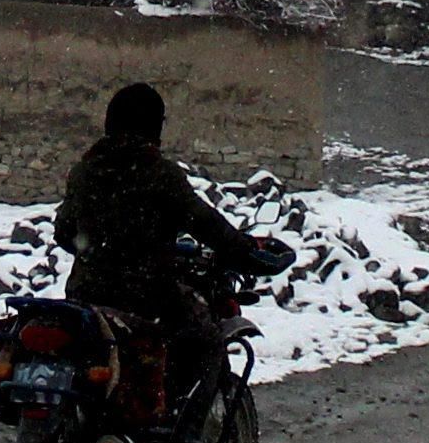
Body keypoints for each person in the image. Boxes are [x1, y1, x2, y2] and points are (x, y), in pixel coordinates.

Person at [58, 83, 285, 415]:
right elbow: (205, 223)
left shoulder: (86, 170)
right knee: (208, 339)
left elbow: (64, 232)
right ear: (152, 125)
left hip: (86, 294)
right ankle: (187, 435)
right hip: (145, 295)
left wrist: (100, 249)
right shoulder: (157, 173)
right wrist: (244, 250)